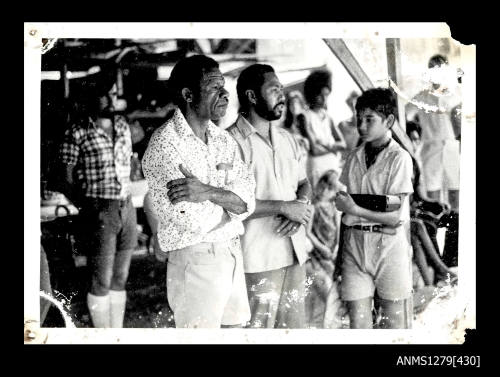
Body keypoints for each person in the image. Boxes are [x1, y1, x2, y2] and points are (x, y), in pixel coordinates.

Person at [141, 55, 256, 328]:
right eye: (215, 87)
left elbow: (248, 201)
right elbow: (191, 219)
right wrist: (230, 203)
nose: (225, 93)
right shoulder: (165, 145)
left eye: (224, 85)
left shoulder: (222, 139)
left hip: (230, 252)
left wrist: (207, 192)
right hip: (196, 258)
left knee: (235, 331)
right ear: (188, 94)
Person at [227, 64, 313, 328]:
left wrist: (300, 207)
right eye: (274, 89)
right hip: (257, 256)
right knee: (259, 333)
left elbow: (304, 183)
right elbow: (229, 202)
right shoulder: (230, 142)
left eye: (282, 89)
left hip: (295, 249)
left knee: (294, 332)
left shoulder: (287, 139)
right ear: (252, 96)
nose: (282, 95)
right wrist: (286, 208)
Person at [60, 72, 138, 328]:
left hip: (126, 208)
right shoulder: (78, 132)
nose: (112, 99)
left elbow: (131, 156)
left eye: (114, 93)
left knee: (120, 276)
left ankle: (116, 333)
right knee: (101, 280)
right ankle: (101, 335)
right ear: (93, 97)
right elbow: (64, 177)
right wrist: (89, 206)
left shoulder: (123, 126)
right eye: (106, 94)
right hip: (99, 209)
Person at [335, 88, 414, 329]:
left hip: (389, 248)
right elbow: (346, 214)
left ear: (388, 121)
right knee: (359, 329)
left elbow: (393, 217)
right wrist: (339, 258)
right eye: (359, 118)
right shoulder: (354, 157)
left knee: (393, 327)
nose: (362, 125)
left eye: (370, 119)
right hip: (355, 247)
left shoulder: (399, 159)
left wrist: (355, 207)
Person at [406, 54, 461, 212]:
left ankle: (455, 227)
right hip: (430, 147)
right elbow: (404, 115)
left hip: (451, 147)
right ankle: (434, 226)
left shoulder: (455, 94)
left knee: (455, 187)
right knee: (432, 189)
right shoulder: (422, 96)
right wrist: (413, 133)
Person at [304, 169, 344, 328]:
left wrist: (336, 249)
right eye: (325, 187)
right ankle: (320, 323)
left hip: (332, 253)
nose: (326, 192)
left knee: (335, 291)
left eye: (331, 189)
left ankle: (331, 323)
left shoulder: (334, 208)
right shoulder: (313, 207)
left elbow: (340, 230)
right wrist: (321, 248)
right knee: (324, 291)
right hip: (318, 254)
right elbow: (308, 232)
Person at [302, 70, 346, 187]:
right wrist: (333, 148)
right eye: (320, 95)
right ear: (312, 94)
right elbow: (314, 150)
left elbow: (343, 144)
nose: (324, 99)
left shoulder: (328, 117)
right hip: (317, 167)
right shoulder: (305, 116)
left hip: (333, 165)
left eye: (326, 95)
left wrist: (325, 146)